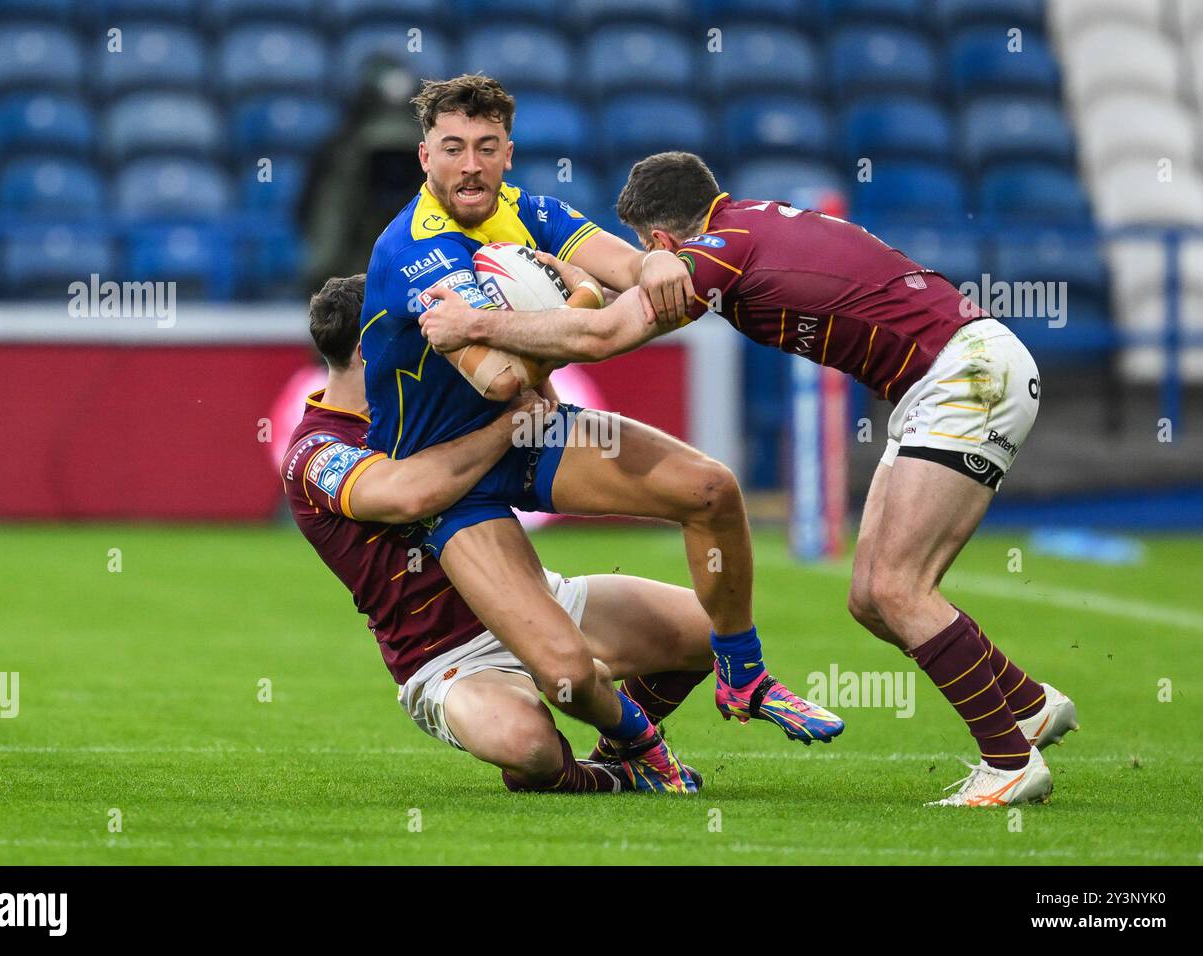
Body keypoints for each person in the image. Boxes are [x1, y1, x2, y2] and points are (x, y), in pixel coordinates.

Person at [418, 151, 1080, 808]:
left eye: (646, 251)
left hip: (962, 378)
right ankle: (1024, 707)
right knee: (870, 599)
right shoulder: (742, 230)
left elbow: (603, 337)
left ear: (660, 242)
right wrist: (574, 284)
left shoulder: (716, 252)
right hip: (954, 375)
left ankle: (1008, 763)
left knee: (896, 589)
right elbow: (610, 311)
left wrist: (472, 324)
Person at [358, 75, 845, 768]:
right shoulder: (414, 248)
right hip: (451, 478)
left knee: (710, 490)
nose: (471, 164)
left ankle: (744, 674)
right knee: (565, 673)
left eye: (487, 147)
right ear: (424, 158)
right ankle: (638, 748)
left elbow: (631, 264)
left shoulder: (533, 210)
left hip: (533, 432)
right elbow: (500, 377)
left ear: (507, 153)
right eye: (454, 148)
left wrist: (656, 261)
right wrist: (587, 295)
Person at [283, 275, 712, 793]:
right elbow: (408, 495)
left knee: (711, 633)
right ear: (367, 346)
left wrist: (566, 297)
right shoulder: (316, 451)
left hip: (539, 599)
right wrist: (506, 427)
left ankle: (621, 752)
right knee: (528, 748)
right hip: (447, 656)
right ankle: (601, 780)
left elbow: (540, 397)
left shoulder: (432, 396)